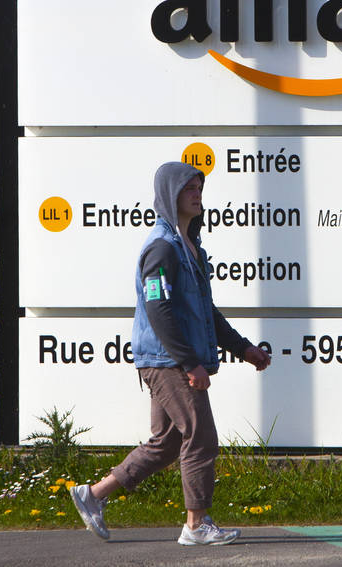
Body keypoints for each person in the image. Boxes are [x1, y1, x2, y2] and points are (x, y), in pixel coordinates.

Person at [71, 161, 271, 545]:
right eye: (189, 189)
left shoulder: (188, 248)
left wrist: (244, 348)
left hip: (172, 358)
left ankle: (93, 495)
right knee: (200, 435)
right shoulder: (162, 248)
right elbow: (157, 309)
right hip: (166, 360)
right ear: (170, 195)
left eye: (199, 187)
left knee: (167, 443)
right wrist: (189, 362)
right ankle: (197, 525)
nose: (197, 194)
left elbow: (205, 312)